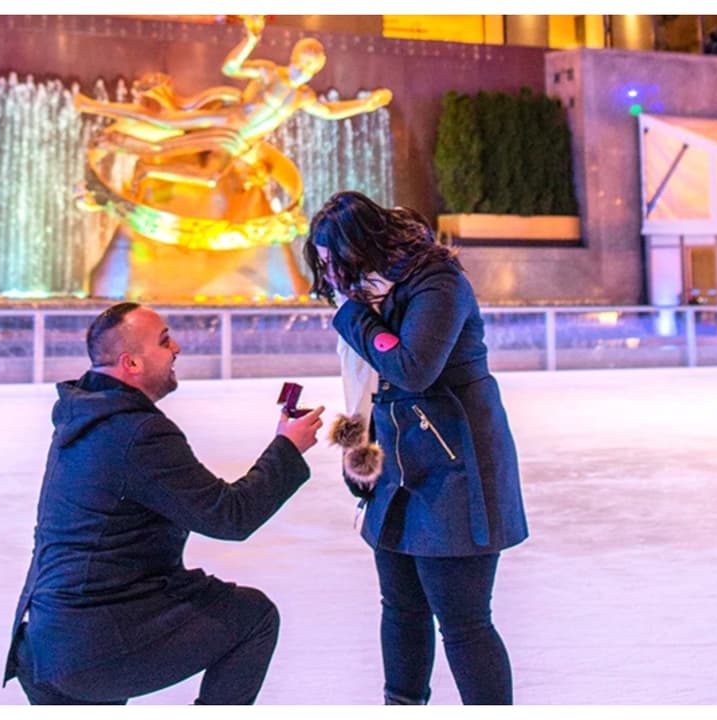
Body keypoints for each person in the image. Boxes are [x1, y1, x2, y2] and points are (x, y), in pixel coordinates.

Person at [3, 302, 326, 704]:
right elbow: (230, 517)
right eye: (163, 341)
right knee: (252, 617)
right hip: (90, 644)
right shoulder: (138, 433)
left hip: (47, 641)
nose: (177, 347)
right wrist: (288, 449)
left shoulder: (82, 416)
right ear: (131, 364)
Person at [303, 191, 528, 705]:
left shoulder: (438, 283)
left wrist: (355, 318)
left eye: (336, 260)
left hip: (456, 465)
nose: (331, 275)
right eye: (322, 263)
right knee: (400, 606)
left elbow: (412, 368)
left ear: (365, 246)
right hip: (398, 469)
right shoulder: (371, 295)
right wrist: (357, 451)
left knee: (463, 621)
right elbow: (370, 384)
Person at [76, 14, 391, 190]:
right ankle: (92, 105)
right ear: (295, 57)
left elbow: (328, 112)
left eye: (313, 64)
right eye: (304, 60)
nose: (307, 67)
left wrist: (364, 105)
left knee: (209, 177)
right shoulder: (270, 72)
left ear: (317, 68)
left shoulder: (302, 96)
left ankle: (146, 168)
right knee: (164, 121)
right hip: (227, 120)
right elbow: (230, 68)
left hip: (240, 143)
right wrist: (250, 40)